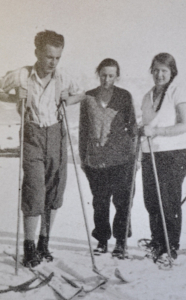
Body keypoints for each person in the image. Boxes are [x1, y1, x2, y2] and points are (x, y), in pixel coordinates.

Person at [0, 30, 85, 267]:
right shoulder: (21, 75)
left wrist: (68, 99)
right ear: (37, 53)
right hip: (32, 134)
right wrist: (13, 98)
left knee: (54, 190)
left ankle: (44, 242)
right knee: (34, 189)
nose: (53, 62)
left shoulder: (62, 76)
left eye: (57, 58)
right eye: (49, 57)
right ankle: (29, 246)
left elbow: (81, 93)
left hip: (56, 134)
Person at [79, 58, 137, 257]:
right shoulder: (88, 97)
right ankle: (102, 240)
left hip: (122, 158)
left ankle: (121, 241)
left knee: (122, 201)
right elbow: (83, 130)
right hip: (96, 158)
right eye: (103, 75)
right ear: (98, 74)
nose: (106, 79)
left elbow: (133, 128)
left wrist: (134, 156)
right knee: (100, 201)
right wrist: (82, 157)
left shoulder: (124, 96)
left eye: (111, 75)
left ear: (116, 76)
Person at [140, 53, 186, 261]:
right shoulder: (147, 96)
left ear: (172, 72)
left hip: (172, 153)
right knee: (151, 201)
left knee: (168, 202)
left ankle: (170, 247)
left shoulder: (178, 92)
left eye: (164, 70)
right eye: (156, 70)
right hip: (150, 152)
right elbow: (148, 125)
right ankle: (157, 242)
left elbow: (184, 124)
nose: (160, 74)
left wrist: (157, 132)